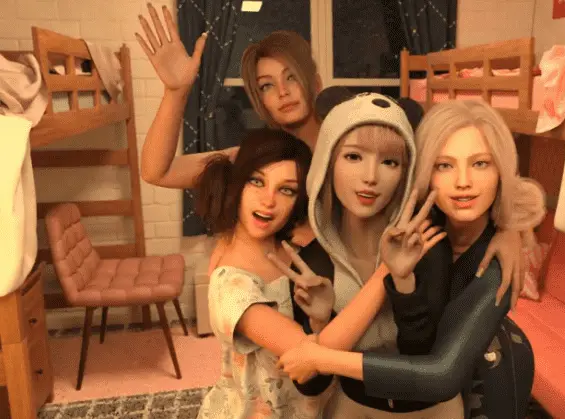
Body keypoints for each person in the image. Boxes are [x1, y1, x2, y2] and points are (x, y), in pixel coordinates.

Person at [134, 3, 529, 305]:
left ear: (315, 81)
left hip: (388, 285)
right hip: (313, 296)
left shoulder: (360, 139)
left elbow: (449, 179)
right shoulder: (265, 159)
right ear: (259, 99)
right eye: (267, 85)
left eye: (291, 77)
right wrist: (176, 92)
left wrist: (508, 229)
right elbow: (156, 171)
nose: (283, 92)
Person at [277, 99, 545, 419]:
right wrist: (321, 325)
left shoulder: (492, 262)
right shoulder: (423, 223)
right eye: (444, 165)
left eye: (481, 164)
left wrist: (322, 358)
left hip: (485, 376)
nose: (463, 181)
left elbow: (441, 373)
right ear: (424, 171)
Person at [193, 128, 324, 418]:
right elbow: (311, 354)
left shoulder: (293, 251)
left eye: (286, 190)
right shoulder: (231, 284)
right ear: (237, 185)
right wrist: (384, 276)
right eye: (257, 181)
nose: (268, 200)